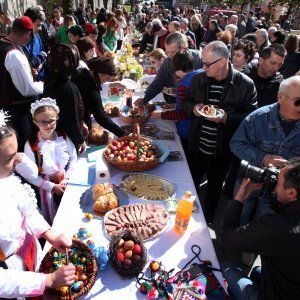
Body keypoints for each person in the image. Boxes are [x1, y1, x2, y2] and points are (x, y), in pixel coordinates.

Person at [0, 112, 76, 297]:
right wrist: (47, 281)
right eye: (10, 158)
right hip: (14, 278)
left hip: (30, 254)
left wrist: (49, 234)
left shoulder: (6, 179)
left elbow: (27, 211)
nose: (17, 161)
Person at [182, 41, 257, 224]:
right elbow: (186, 102)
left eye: (207, 64)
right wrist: (193, 109)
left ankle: (204, 224)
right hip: (196, 146)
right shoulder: (198, 79)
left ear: (222, 61)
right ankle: (184, 217)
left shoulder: (245, 85)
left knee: (213, 191)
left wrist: (226, 118)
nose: (203, 67)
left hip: (221, 152)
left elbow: (251, 118)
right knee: (189, 188)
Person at [218, 157, 300, 300]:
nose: (274, 184)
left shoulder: (276, 226)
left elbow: (225, 237)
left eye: (278, 182)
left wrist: (240, 197)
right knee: (257, 271)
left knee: (222, 269)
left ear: (292, 193)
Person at [230, 76, 300, 224]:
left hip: (280, 190)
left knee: (266, 225)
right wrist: (263, 158)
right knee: (239, 218)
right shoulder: (257, 118)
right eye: (298, 102)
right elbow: (236, 143)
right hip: (251, 180)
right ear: (280, 97)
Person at [24, 98, 77, 224]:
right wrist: (52, 186)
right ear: (35, 122)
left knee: (69, 212)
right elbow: (29, 175)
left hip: (65, 182)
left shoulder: (62, 137)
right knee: (53, 216)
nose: (48, 125)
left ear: (57, 119)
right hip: (46, 186)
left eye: (51, 121)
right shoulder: (31, 144)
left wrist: (67, 177)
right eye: (43, 122)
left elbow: (74, 157)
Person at [0, 17, 43, 150]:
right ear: (27, 33)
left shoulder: (3, 43)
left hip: (4, 107)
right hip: (17, 112)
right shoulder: (14, 54)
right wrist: (44, 85)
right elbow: (27, 89)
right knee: (23, 148)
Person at [151, 51, 203, 149]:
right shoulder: (198, 76)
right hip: (197, 129)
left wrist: (161, 114)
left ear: (177, 69)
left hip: (186, 130)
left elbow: (182, 114)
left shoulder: (183, 86)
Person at [135, 32, 201, 107]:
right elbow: (157, 83)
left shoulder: (198, 58)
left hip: (195, 106)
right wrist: (144, 98)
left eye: (172, 52)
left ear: (183, 48)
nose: (170, 56)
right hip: (176, 105)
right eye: (167, 52)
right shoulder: (167, 63)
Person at [43, 43, 87, 154]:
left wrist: (81, 123)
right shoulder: (69, 88)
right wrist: (80, 140)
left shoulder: (49, 80)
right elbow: (71, 119)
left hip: (53, 135)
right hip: (66, 139)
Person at [71, 57, 125, 137]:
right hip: (76, 122)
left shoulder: (81, 72)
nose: (108, 80)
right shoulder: (91, 90)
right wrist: (121, 133)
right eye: (107, 77)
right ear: (99, 72)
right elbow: (100, 117)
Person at [23, 7, 47, 81]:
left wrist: (40, 65)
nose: (41, 29)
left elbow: (44, 54)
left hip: (41, 79)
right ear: (29, 23)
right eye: (38, 25)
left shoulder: (37, 37)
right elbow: (27, 64)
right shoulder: (22, 43)